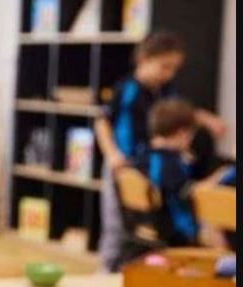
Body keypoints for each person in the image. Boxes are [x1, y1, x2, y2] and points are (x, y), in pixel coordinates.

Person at [94, 31, 226, 271]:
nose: (168, 74)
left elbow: (177, 114)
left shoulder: (166, 90)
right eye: (164, 66)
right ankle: (105, 272)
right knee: (115, 230)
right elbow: (102, 122)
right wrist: (113, 155)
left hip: (148, 164)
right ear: (144, 59)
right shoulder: (127, 90)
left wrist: (204, 121)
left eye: (173, 69)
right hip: (123, 165)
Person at [137, 98, 199, 246]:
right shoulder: (170, 164)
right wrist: (217, 178)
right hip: (175, 232)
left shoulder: (144, 154)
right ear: (182, 133)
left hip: (146, 223)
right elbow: (188, 192)